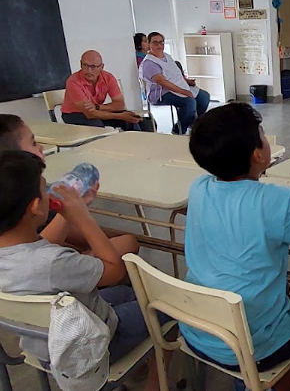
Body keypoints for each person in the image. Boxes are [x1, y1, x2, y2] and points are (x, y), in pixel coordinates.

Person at [181, 103, 290, 388]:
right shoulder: (277, 202)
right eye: (262, 134)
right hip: (254, 345)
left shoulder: (199, 187)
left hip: (197, 329)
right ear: (258, 154)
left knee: (277, 291)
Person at [0, 150, 166, 390]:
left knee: (130, 294)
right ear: (36, 207)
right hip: (89, 346)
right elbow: (114, 269)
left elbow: (41, 245)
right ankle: (156, 385)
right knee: (166, 306)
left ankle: (139, 357)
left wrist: (72, 211)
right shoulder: (55, 262)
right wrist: (82, 217)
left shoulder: (21, 252)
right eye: (45, 190)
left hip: (39, 341)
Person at [0, 114, 139, 257]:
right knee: (128, 242)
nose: (42, 147)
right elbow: (36, 252)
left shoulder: (16, 193)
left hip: (37, 248)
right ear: (14, 158)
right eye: (34, 143)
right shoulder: (26, 202)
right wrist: (76, 214)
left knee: (114, 238)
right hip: (43, 263)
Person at [139, 32, 210, 134]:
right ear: (149, 44)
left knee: (204, 97)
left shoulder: (167, 56)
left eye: (161, 42)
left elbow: (176, 74)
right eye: (155, 42)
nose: (159, 45)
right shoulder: (149, 63)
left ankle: (193, 123)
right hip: (161, 93)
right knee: (190, 102)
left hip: (178, 86)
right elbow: (164, 83)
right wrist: (184, 92)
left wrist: (186, 81)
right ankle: (179, 130)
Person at [61, 50, 142, 130]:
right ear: (80, 64)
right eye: (85, 65)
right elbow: (90, 114)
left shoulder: (108, 78)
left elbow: (119, 105)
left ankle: (139, 142)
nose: (89, 70)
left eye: (93, 67)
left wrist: (97, 107)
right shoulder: (73, 81)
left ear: (101, 67)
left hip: (96, 111)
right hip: (73, 114)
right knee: (96, 125)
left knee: (133, 119)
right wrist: (120, 116)